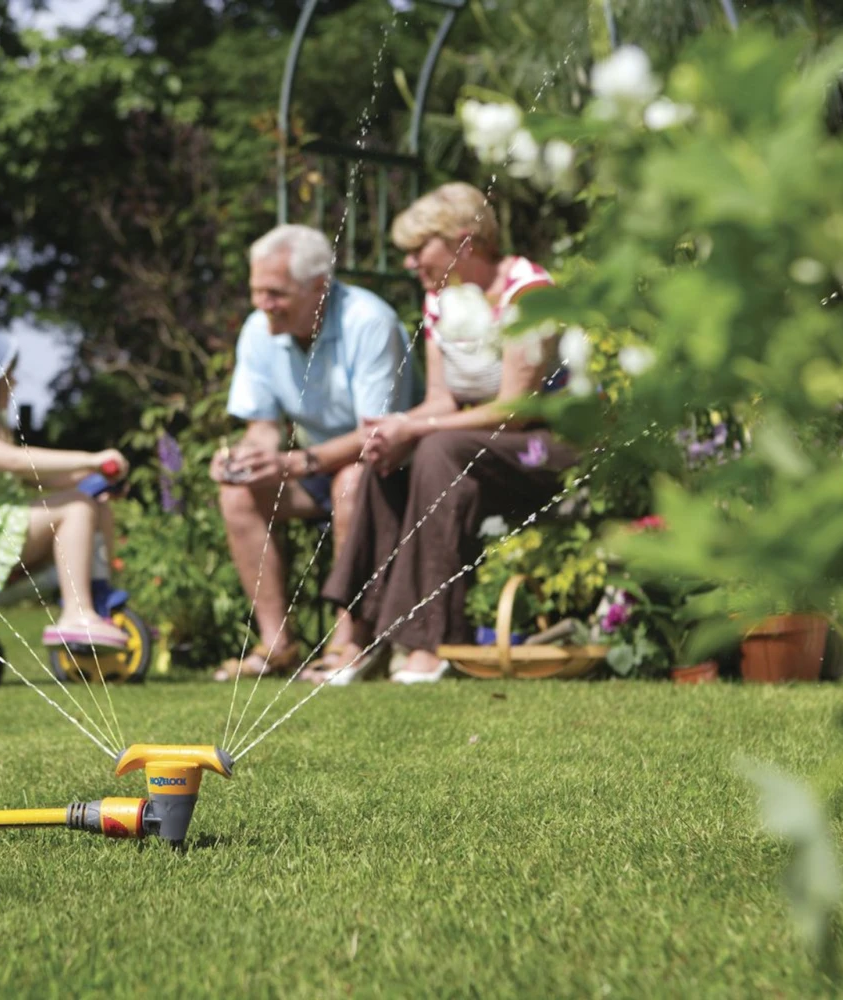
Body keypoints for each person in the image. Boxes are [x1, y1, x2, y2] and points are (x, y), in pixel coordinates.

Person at [319, 182, 578, 684]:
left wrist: (417, 427)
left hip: (547, 447)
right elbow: (442, 399)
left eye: (419, 248)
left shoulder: (529, 293)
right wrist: (396, 430)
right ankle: (361, 632)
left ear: (464, 241)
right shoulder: (441, 299)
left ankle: (428, 639)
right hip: (480, 448)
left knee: (436, 447)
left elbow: (516, 409)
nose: (410, 262)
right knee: (387, 457)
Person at [211, 224, 418, 681]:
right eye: (256, 290)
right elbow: (263, 426)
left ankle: (349, 644)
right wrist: (246, 460)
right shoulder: (258, 330)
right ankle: (277, 645)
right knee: (238, 494)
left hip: (393, 470)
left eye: (275, 293)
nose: (262, 303)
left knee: (351, 482)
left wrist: (294, 463)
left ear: (319, 287)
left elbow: (376, 437)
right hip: (316, 470)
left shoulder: (370, 322)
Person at [0, 312, 130, 649]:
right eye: (8, 375)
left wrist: (94, 475)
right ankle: (76, 615)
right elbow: (16, 462)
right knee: (76, 508)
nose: (14, 383)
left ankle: (97, 598)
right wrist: (90, 459)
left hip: (1, 524)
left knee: (95, 503)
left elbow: (37, 479)